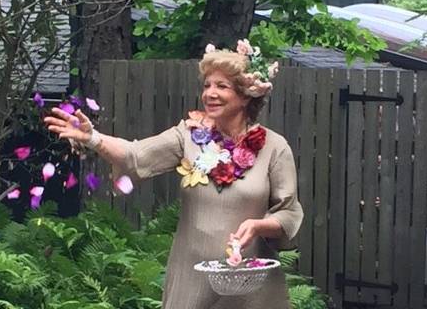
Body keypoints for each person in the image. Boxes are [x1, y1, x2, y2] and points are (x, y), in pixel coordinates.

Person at [44, 39, 303, 309]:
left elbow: (289, 213)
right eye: (207, 86)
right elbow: (135, 155)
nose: (210, 94)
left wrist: (259, 225)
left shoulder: (273, 147)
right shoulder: (188, 136)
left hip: (252, 287)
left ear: (246, 95)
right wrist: (93, 138)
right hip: (191, 282)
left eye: (221, 86)